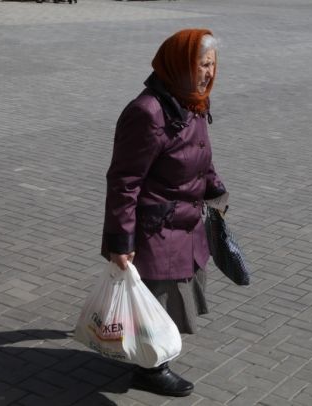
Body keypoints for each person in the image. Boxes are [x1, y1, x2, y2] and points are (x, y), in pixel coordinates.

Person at [101, 28, 228, 397]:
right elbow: (124, 181)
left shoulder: (192, 102)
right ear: (178, 64)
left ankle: (151, 360)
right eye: (201, 64)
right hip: (155, 227)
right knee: (156, 301)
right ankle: (151, 370)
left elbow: (200, 153)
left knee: (171, 297)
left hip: (185, 222)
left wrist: (215, 188)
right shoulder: (147, 112)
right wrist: (121, 241)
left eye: (212, 64)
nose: (208, 72)